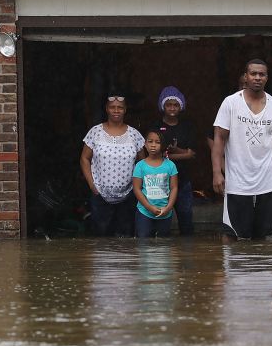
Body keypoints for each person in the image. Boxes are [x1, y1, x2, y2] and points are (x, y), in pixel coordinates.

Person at [211, 59, 272, 241]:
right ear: (245, 77)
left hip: (268, 184)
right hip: (237, 184)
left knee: (268, 236)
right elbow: (219, 139)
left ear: (267, 78)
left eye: (261, 74)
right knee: (232, 235)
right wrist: (217, 172)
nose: (257, 78)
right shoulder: (230, 103)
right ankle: (232, 270)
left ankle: (265, 270)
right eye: (253, 74)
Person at [81, 92, 146, 237]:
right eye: (112, 107)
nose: (116, 110)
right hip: (100, 196)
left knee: (125, 240)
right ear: (106, 109)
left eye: (120, 107)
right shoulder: (95, 132)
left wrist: (137, 187)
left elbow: (142, 163)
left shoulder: (134, 134)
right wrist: (92, 185)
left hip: (128, 196)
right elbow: (85, 158)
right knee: (101, 239)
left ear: (125, 110)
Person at [149, 85, 196, 236]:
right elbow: (154, 154)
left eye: (175, 105)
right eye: (168, 104)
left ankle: (186, 255)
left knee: (186, 221)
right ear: (162, 105)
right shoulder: (155, 126)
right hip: (160, 181)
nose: (172, 108)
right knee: (160, 222)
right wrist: (183, 153)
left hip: (183, 180)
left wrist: (173, 152)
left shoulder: (187, 126)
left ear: (181, 106)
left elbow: (193, 154)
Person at [132, 128, 179, 238]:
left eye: (158, 142)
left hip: (165, 213)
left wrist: (168, 207)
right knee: (143, 244)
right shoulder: (140, 165)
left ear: (163, 145)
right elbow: (136, 189)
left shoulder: (170, 165)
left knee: (163, 247)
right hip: (144, 212)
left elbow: (174, 188)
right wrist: (149, 207)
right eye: (150, 141)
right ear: (145, 144)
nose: (153, 145)